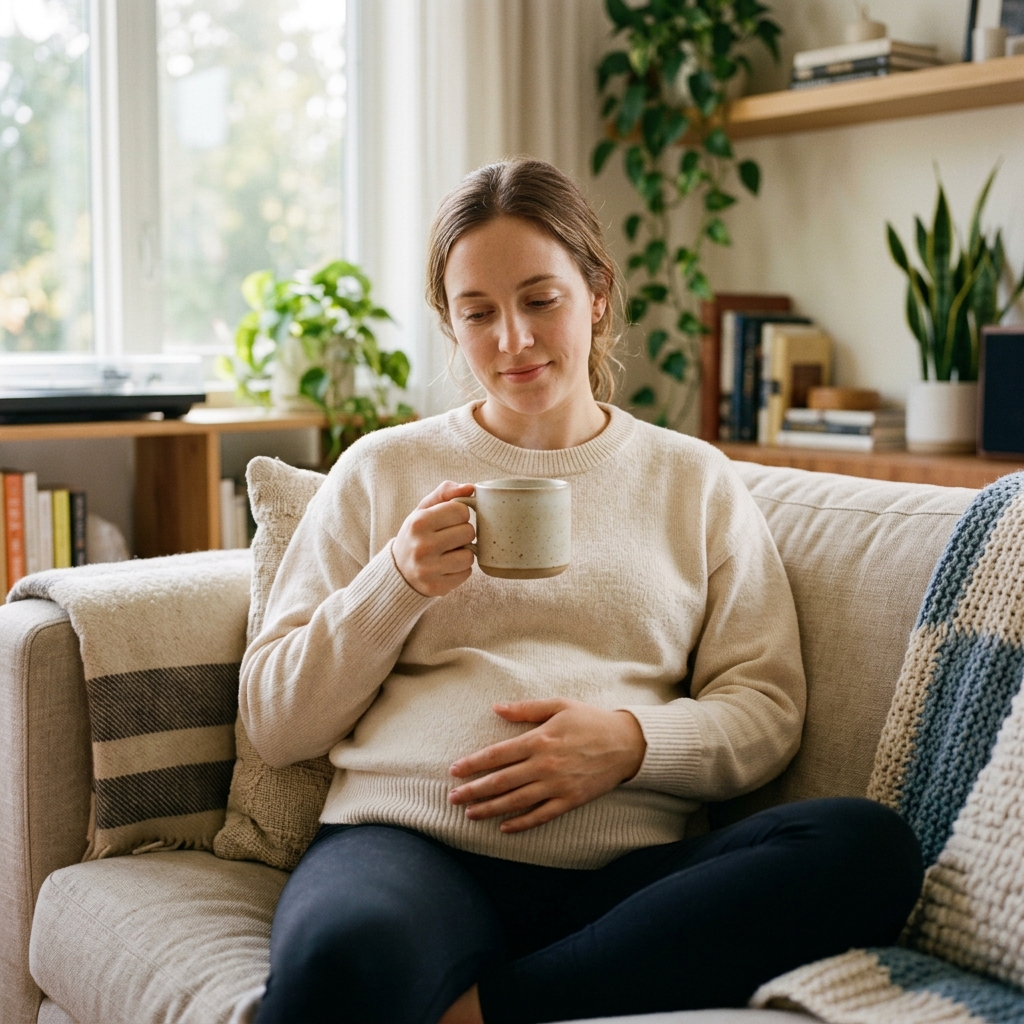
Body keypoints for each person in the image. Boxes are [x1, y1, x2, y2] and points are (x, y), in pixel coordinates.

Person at [244, 158, 922, 1024]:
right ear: (449, 323)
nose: (512, 341)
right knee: (338, 961)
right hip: (408, 846)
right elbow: (276, 721)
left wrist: (632, 743)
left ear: (596, 293)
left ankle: (484, 1010)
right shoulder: (383, 468)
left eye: (540, 300)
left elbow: (765, 707)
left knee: (868, 849)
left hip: (626, 875)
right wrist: (396, 583)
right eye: (477, 313)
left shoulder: (693, 482)